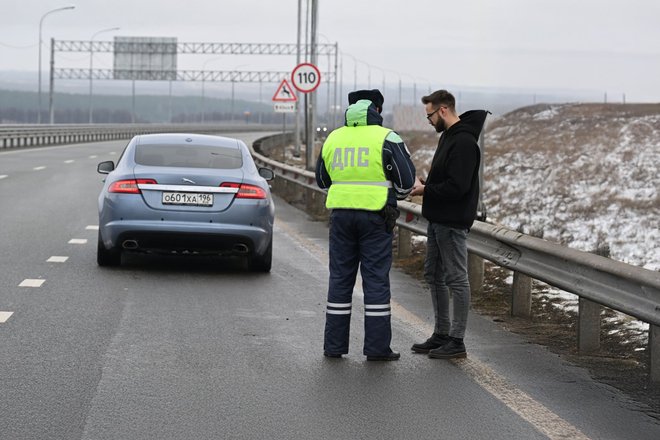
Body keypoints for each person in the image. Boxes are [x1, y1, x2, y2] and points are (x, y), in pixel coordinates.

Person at [315, 89, 416, 361]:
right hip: (376, 216)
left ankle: (333, 346)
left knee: (339, 279)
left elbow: (322, 181)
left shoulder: (333, 138)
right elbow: (406, 183)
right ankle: (376, 348)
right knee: (375, 281)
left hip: (340, 216)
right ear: (378, 111)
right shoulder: (388, 138)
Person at [410, 89, 488, 359]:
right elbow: (447, 180)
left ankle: (457, 340)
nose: (428, 120)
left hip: (452, 222)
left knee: (457, 279)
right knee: (433, 274)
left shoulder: (464, 142)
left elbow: (458, 187)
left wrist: (425, 191)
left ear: (443, 110)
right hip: (437, 219)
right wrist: (427, 185)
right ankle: (441, 334)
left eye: (429, 115)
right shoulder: (448, 138)